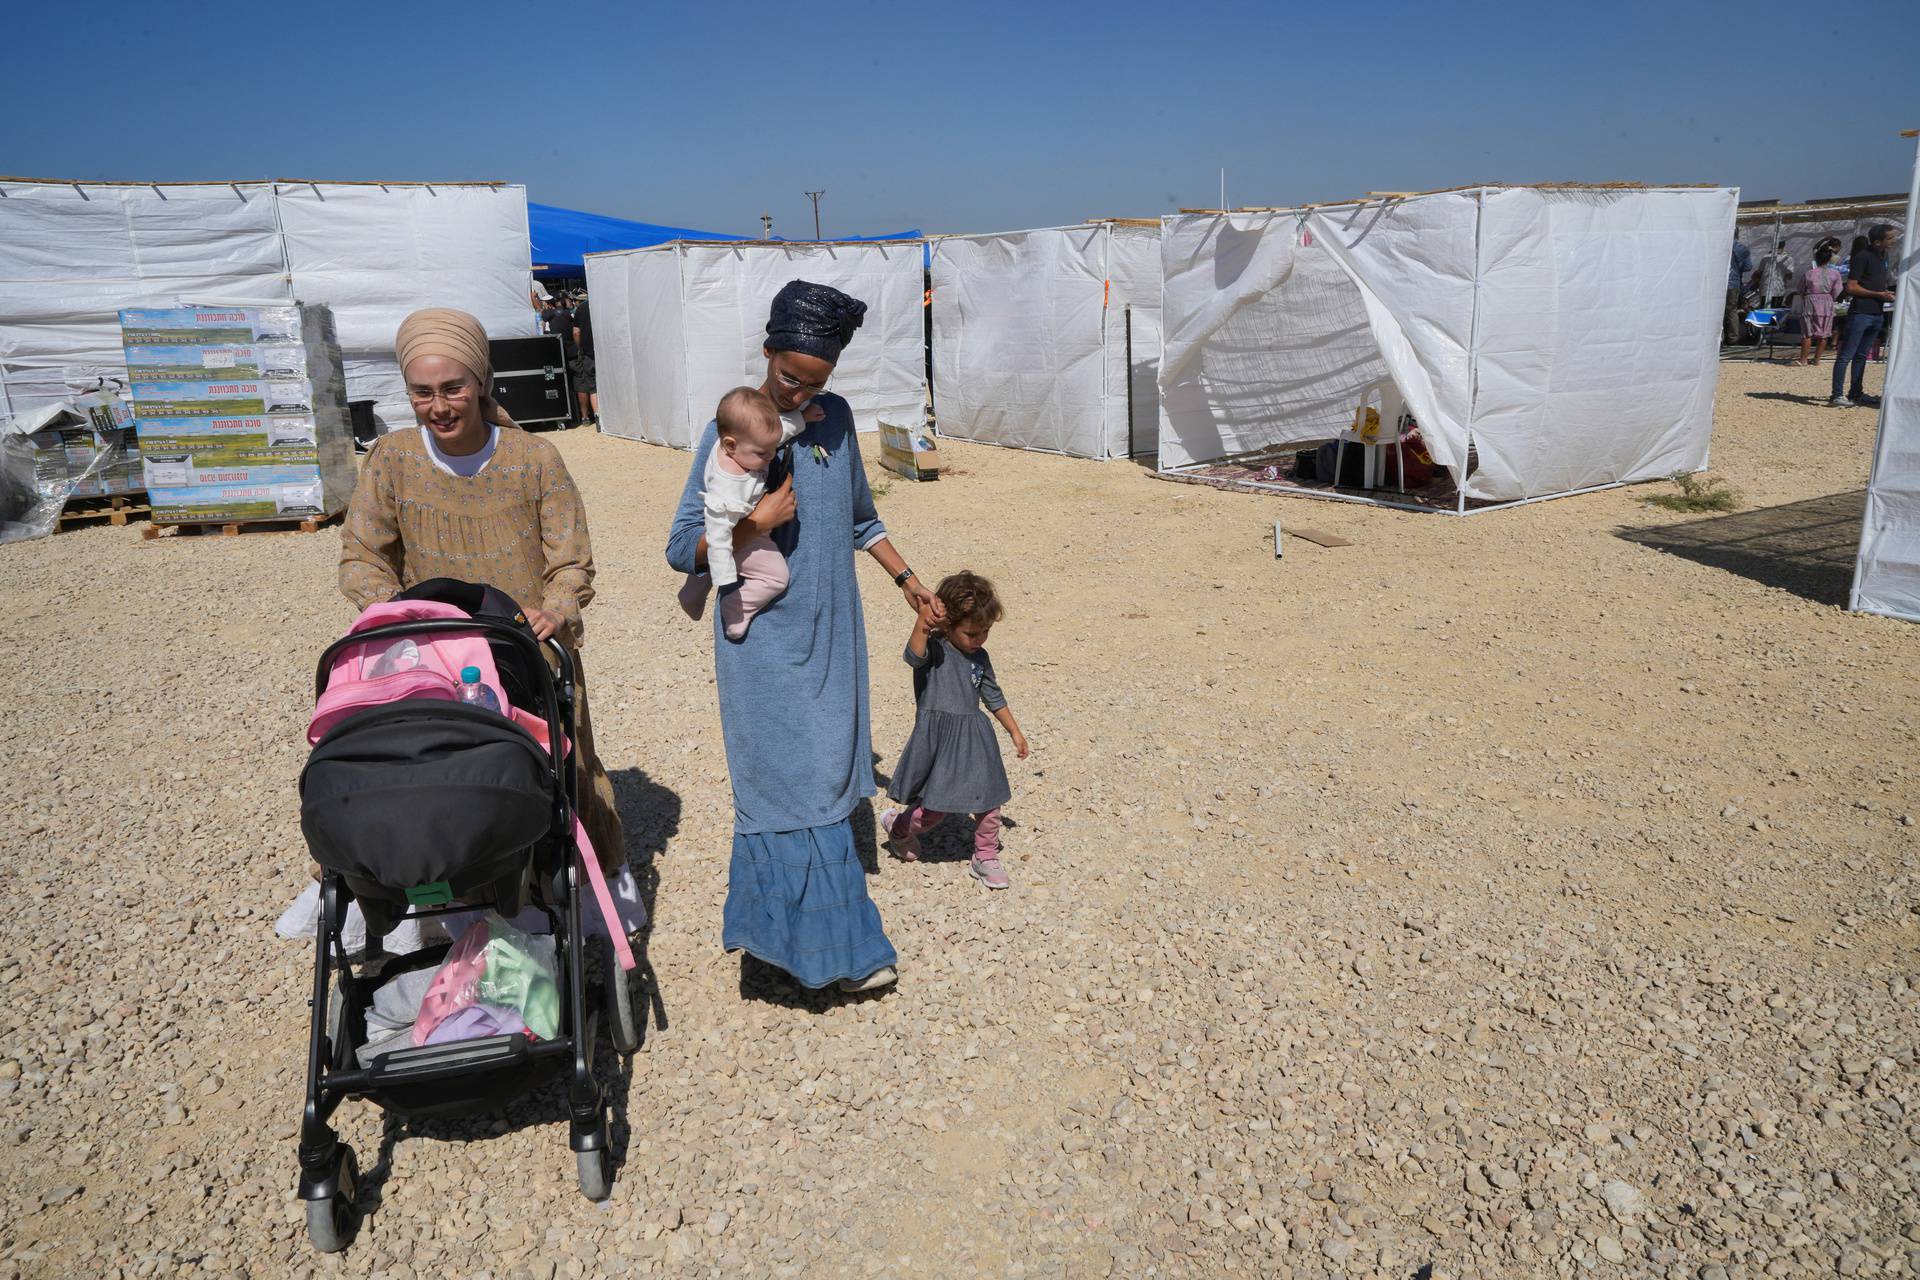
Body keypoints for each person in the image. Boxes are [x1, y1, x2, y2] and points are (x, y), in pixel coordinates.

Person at [666, 279, 943, 994]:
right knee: (793, 788)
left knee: (823, 779)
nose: (795, 393)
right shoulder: (730, 429)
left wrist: (904, 577)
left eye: (812, 382)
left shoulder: (838, 419)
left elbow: (859, 519)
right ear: (767, 353)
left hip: (833, 635)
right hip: (762, 648)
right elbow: (681, 547)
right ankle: (837, 955)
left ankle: (789, 943)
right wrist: (755, 525)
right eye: (789, 376)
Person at [339, 307, 625, 872]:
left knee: (557, 765)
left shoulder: (533, 459)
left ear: (482, 383)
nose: (439, 406)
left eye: (453, 388)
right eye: (422, 393)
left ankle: (572, 877)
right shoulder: (392, 459)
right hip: (431, 648)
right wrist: (398, 614)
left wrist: (556, 608)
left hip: (523, 645)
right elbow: (362, 556)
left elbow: (571, 559)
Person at [879, 572, 1030, 891]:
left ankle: (986, 855)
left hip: (975, 737)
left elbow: (993, 695)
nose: (980, 639)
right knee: (933, 811)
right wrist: (923, 619)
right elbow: (912, 655)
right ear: (948, 625)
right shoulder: (935, 649)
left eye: (986, 631)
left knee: (989, 800)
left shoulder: (980, 658)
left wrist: (1014, 732)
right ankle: (899, 826)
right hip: (941, 741)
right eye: (972, 633)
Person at [677, 386, 808, 640]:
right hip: (737, 532)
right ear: (730, 444)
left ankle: (693, 590)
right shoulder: (727, 485)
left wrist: (803, 418)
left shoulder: (740, 445)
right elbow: (717, 532)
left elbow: (775, 434)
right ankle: (736, 608)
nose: (771, 457)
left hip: (739, 523)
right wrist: (724, 573)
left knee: (711, 565)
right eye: (763, 454)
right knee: (776, 577)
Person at [1831, 224, 1899, 408]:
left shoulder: (1883, 256)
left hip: (1877, 312)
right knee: (1846, 355)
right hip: (1861, 312)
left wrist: (1884, 293)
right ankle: (1836, 394)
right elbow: (1851, 287)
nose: (1894, 241)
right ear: (1878, 241)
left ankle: (1856, 393)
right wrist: (1878, 294)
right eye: (1890, 238)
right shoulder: (1862, 257)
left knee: (1862, 355)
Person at [1792, 243, 1844, 367]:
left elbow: (1800, 288)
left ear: (1816, 258)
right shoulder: (1835, 274)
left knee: (1807, 332)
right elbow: (1838, 291)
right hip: (1827, 301)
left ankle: (1803, 360)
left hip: (1810, 300)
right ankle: (1817, 360)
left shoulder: (1809, 273)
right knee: (1824, 332)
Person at [570, 293, 597, 427]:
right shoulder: (603, 304)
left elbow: (576, 332)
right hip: (607, 351)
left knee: (592, 387)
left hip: (588, 353)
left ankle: (597, 417)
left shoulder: (581, 309)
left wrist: (580, 348)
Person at [1725, 238, 1754, 345]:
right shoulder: (1741, 248)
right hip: (1733, 283)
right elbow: (1748, 267)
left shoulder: (1717, 243)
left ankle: (1719, 336)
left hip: (1717, 283)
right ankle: (1733, 338)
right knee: (1731, 311)